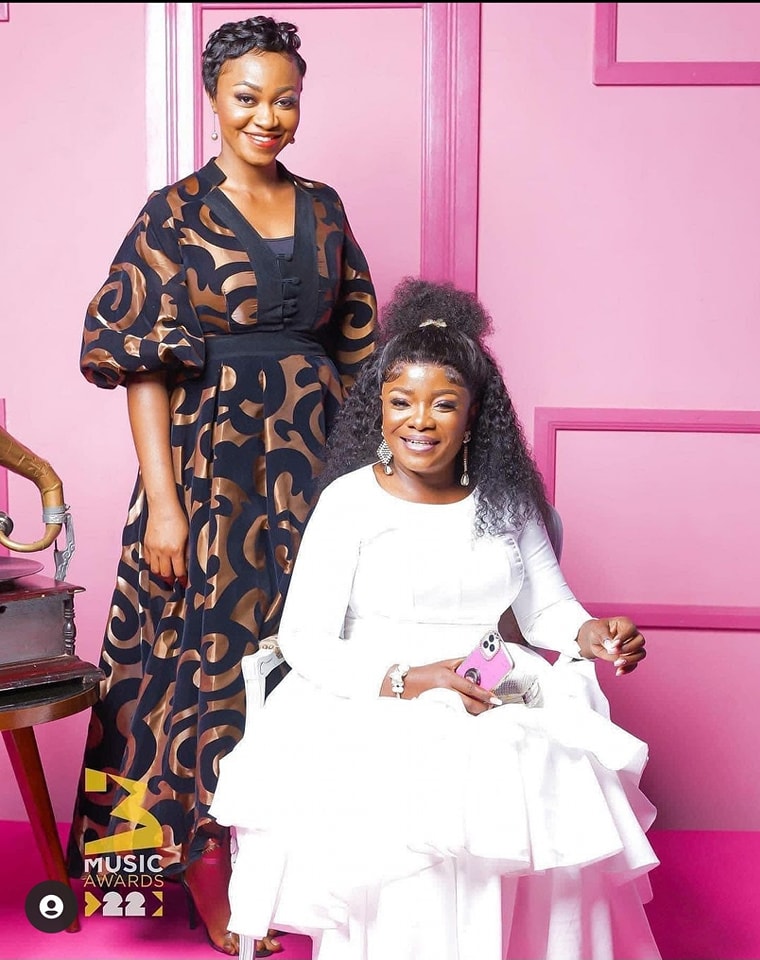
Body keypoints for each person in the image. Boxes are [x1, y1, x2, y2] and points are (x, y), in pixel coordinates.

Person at [209, 277, 662, 960]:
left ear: (474, 414)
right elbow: (304, 637)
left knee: (540, 758)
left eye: (443, 403)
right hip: (373, 688)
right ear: (380, 410)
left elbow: (547, 609)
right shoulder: (349, 503)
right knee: (416, 764)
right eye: (402, 401)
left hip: (490, 683)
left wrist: (589, 634)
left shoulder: (506, 501)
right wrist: (408, 679)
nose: (419, 420)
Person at [66, 14, 377, 957]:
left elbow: (360, 354)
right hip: (209, 476)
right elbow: (142, 368)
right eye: (247, 98)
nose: (267, 117)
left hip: (317, 467)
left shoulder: (324, 207)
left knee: (309, 657)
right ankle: (208, 869)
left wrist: (374, 491)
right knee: (199, 664)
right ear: (212, 100)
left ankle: (303, 861)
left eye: (285, 100)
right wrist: (163, 505)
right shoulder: (173, 212)